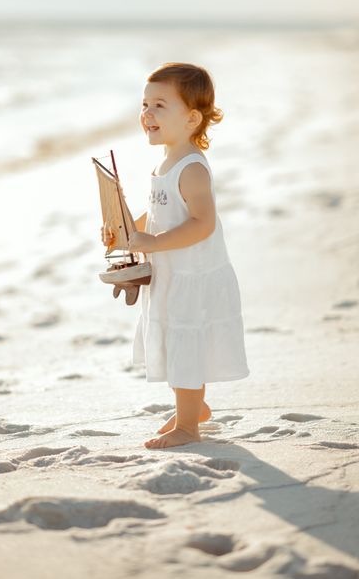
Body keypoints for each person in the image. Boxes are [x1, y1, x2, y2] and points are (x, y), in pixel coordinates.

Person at [101, 62, 250, 449]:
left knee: (186, 344)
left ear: (192, 119)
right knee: (172, 341)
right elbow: (157, 213)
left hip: (193, 275)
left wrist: (152, 242)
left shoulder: (192, 168)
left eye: (160, 105)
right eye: (145, 104)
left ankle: (189, 426)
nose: (147, 113)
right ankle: (194, 408)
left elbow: (203, 224)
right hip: (172, 273)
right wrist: (127, 231)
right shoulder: (164, 163)